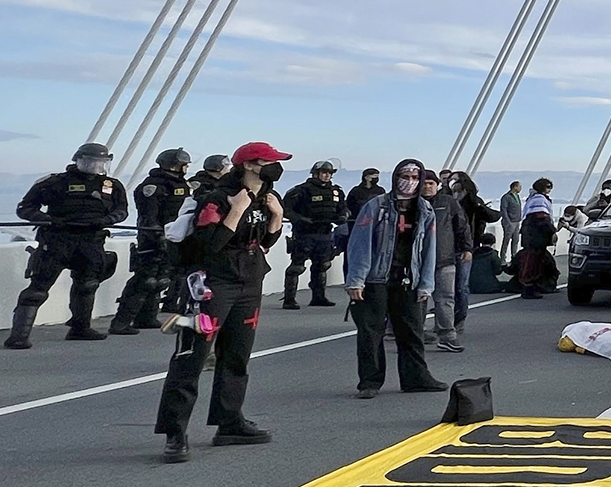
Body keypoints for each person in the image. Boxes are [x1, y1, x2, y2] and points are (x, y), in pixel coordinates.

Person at [153, 141, 289, 460]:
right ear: (249, 165)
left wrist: (276, 217)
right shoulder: (217, 199)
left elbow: (265, 241)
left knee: (237, 355)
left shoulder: (268, 196)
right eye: (269, 161)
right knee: (192, 356)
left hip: (250, 280)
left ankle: (229, 422)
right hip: (212, 283)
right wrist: (237, 210)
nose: (275, 167)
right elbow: (209, 245)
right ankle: (175, 433)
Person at [8, 141, 129, 347]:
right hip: (57, 240)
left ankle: (80, 329)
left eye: (100, 162)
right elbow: (25, 208)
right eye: (90, 161)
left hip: (91, 241)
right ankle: (18, 336)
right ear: (78, 160)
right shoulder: (53, 182)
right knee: (38, 288)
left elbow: (122, 210)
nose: (95, 166)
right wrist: (47, 219)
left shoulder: (112, 185)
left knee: (87, 285)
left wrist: (106, 220)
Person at [343, 158, 444, 399]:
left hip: (409, 279)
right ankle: (369, 381)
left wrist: (426, 284)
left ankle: (416, 378)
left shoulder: (425, 210)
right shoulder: (375, 207)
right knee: (371, 332)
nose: (409, 182)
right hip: (376, 279)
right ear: (395, 177)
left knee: (412, 331)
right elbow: (360, 244)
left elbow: (429, 249)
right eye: (405, 177)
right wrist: (356, 280)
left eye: (414, 178)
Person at [110, 148, 192, 335]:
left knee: (162, 278)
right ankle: (120, 323)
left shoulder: (184, 186)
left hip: (174, 237)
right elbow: (149, 216)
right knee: (145, 279)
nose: (186, 168)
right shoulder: (153, 186)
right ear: (175, 165)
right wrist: (157, 236)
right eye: (183, 165)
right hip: (152, 239)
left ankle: (146, 318)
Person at [279, 160, 347, 310]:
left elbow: (343, 209)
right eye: (324, 172)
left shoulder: (336, 192)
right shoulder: (301, 191)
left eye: (329, 173)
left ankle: (318, 297)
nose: (327, 175)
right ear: (315, 173)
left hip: (324, 234)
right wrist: (301, 220)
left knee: (322, 265)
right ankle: (289, 300)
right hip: (304, 234)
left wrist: (342, 216)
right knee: (297, 267)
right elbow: (286, 209)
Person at [419, 170, 474, 352]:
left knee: (446, 299)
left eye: (431, 183)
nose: (427, 187)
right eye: (424, 183)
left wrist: (466, 248)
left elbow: (462, 225)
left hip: (444, 258)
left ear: (437, 185)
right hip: (416, 261)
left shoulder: (448, 202)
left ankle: (447, 336)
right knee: (417, 299)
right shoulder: (411, 204)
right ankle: (416, 334)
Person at [516, 179, 560, 298]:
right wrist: (553, 231)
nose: (550, 189)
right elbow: (541, 218)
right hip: (536, 237)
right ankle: (530, 288)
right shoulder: (539, 199)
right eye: (548, 187)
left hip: (530, 235)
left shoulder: (532, 198)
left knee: (535, 262)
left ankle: (538, 286)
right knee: (534, 263)